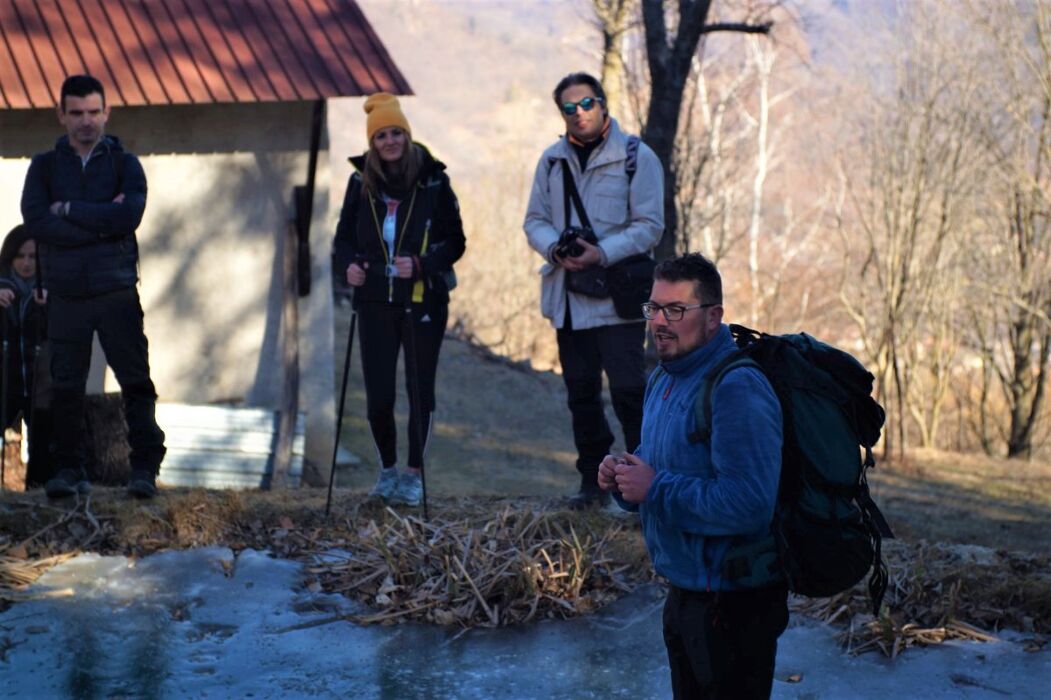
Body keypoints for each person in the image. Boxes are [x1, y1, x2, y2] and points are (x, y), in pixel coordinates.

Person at [598, 253, 787, 699]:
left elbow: (749, 502)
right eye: (654, 308)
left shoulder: (737, 388)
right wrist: (624, 479)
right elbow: (658, 460)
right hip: (686, 591)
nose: (659, 322)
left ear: (713, 316)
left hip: (735, 603)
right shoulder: (665, 378)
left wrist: (655, 487)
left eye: (675, 310)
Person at [20, 74, 166, 499]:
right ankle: (67, 468)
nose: (86, 121)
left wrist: (68, 210)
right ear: (62, 115)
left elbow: (129, 217)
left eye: (93, 112)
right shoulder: (44, 167)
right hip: (66, 293)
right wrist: (101, 221)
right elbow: (37, 222)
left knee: (135, 381)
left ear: (107, 112)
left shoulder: (125, 165)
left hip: (116, 290)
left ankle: (144, 469)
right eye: (77, 113)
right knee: (66, 386)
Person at [523, 71, 663, 509]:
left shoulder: (637, 157)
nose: (578, 113)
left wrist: (600, 253)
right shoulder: (551, 161)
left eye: (586, 104)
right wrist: (555, 249)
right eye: (569, 108)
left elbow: (649, 226)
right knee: (581, 396)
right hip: (568, 298)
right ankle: (592, 487)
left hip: (617, 299)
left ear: (602, 103)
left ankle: (642, 491)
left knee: (629, 396)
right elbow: (534, 221)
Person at [332, 93, 465, 507]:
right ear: (372, 143)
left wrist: (423, 265)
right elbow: (343, 241)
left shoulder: (433, 180)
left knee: (419, 390)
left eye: (397, 133)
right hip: (373, 301)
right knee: (378, 396)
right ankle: (387, 471)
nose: (390, 142)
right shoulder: (360, 183)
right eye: (381, 136)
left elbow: (456, 241)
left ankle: (412, 475)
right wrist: (349, 267)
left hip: (423, 300)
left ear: (407, 136)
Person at [0, 226, 53, 488]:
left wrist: (48, 309)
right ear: (10, 257)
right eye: (21, 256)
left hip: (39, 385)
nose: (26, 263)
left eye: (33, 257)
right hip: (5, 382)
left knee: (42, 444)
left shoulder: (51, 291)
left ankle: (37, 494)